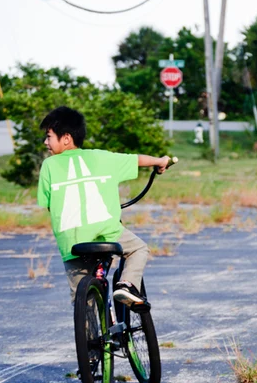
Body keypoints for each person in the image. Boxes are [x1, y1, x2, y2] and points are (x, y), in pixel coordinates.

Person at [36, 106, 171, 307]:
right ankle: (126, 285)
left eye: (48, 136)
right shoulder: (102, 157)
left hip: (70, 241)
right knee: (138, 249)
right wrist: (161, 161)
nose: (45, 142)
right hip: (106, 232)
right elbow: (137, 159)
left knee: (83, 302)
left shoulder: (48, 165)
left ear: (66, 138)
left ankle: (89, 334)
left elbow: (47, 204)